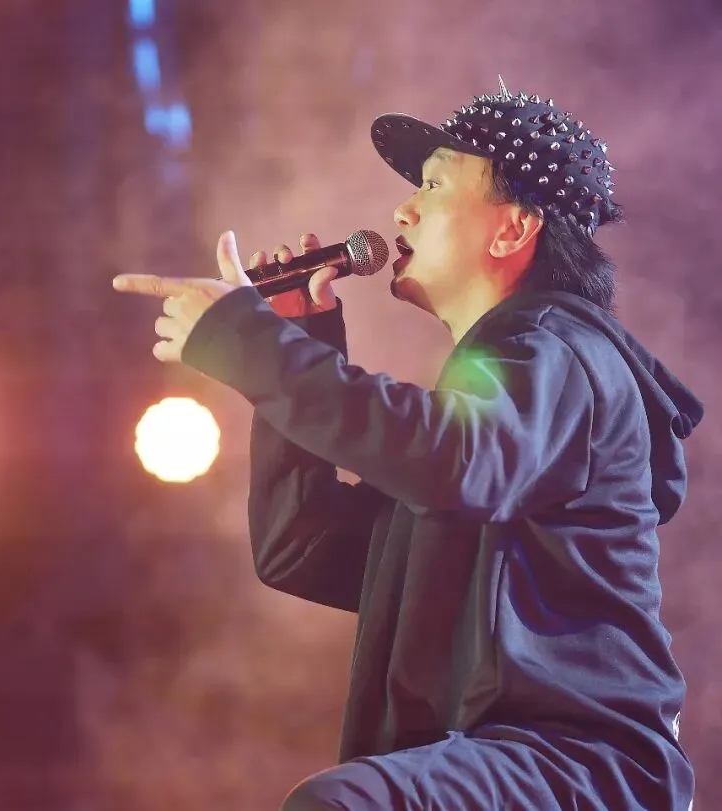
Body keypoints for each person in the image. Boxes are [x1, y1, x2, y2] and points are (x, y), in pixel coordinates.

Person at [111, 80, 702, 810]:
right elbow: (303, 544)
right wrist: (297, 335)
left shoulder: (563, 350)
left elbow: (458, 460)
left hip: (580, 766)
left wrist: (253, 346)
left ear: (513, 229)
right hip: (505, 766)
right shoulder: (494, 407)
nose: (403, 210)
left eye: (434, 185)